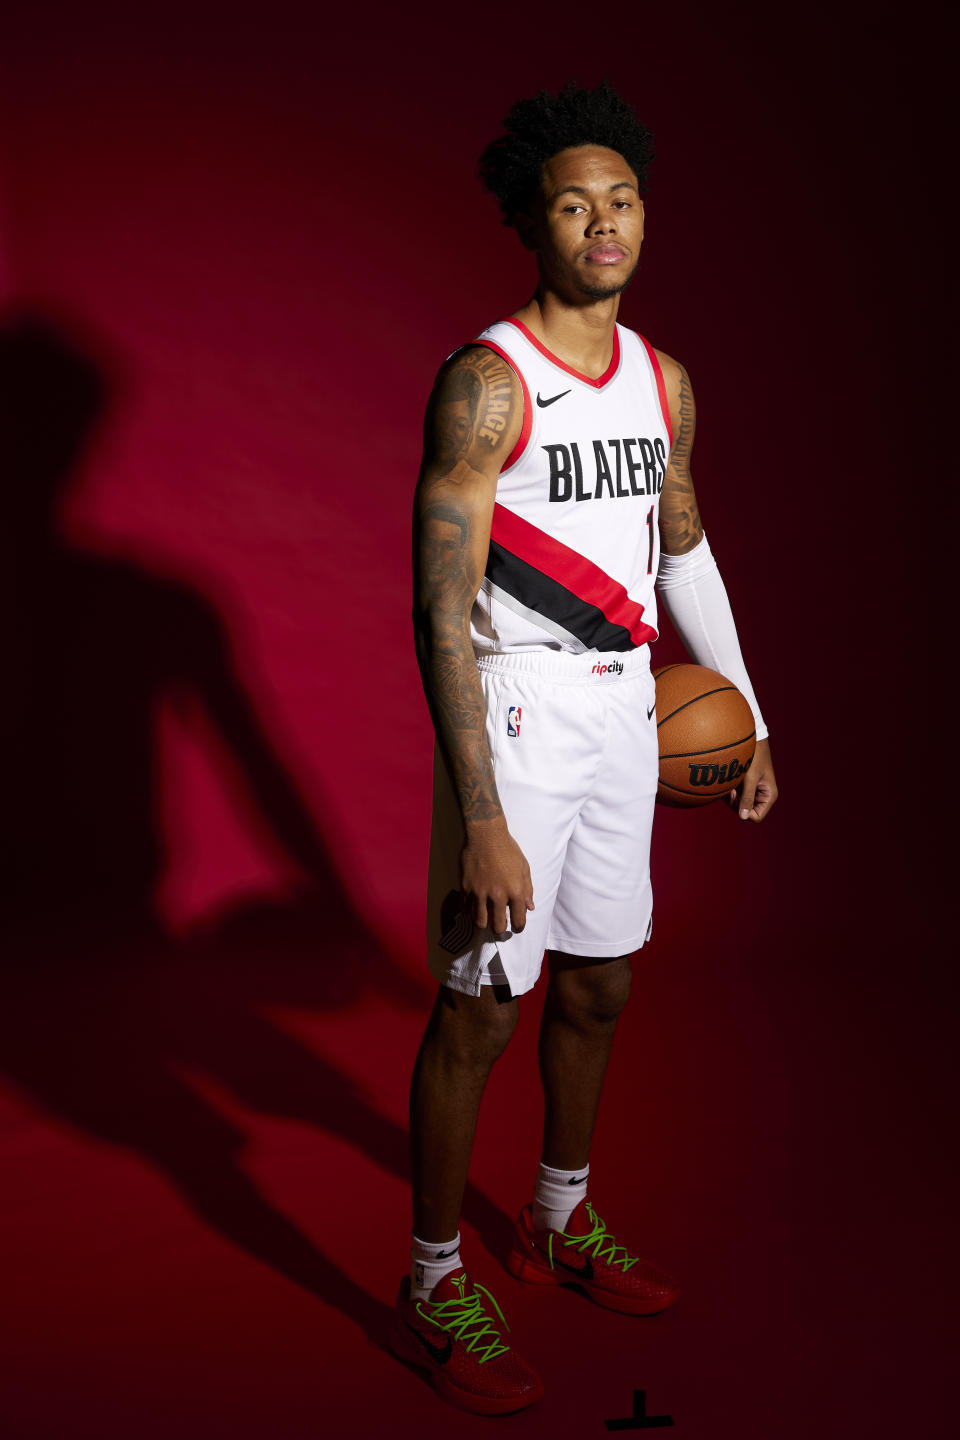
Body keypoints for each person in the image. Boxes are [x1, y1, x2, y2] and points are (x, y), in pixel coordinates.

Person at [390, 81, 779, 1416]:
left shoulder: (665, 381)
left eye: (621, 199)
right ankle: (434, 1283)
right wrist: (481, 811)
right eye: (574, 201)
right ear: (532, 224)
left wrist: (750, 712)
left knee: (604, 980)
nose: (603, 222)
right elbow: (441, 602)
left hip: (626, 705)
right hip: (513, 709)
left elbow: (684, 549)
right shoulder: (488, 384)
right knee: (482, 1004)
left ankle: (558, 1215)